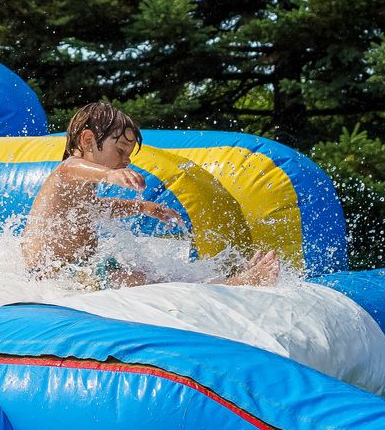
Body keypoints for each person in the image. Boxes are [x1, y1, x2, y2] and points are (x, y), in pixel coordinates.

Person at [23, 100, 282, 289]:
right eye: (121, 150)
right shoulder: (68, 171)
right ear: (88, 140)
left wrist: (142, 208)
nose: (125, 161)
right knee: (141, 281)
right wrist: (110, 175)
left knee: (146, 273)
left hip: (79, 271)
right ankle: (235, 284)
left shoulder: (82, 187)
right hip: (52, 275)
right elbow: (70, 168)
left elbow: (95, 209)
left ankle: (226, 279)